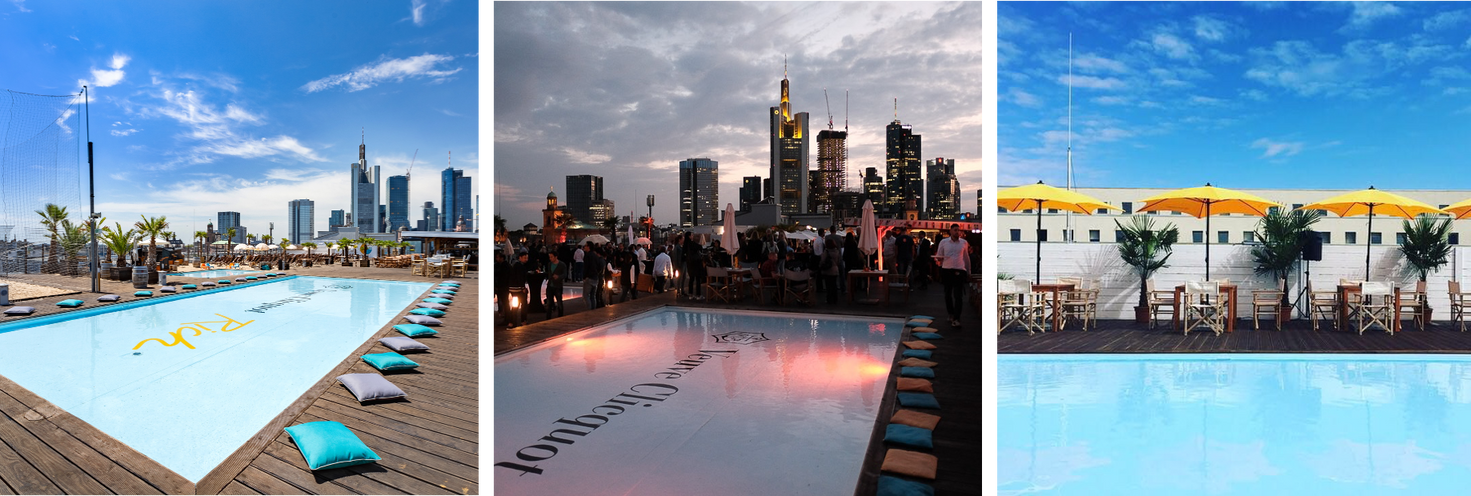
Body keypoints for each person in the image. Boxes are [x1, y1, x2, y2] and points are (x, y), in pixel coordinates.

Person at [935, 223, 972, 328]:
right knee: (947, 293)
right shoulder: (944, 242)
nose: (957, 232)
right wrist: (938, 259)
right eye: (955, 230)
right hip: (947, 269)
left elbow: (966, 257)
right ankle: (951, 313)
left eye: (958, 230)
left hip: (959, 269)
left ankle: (957, 318)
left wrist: (968, 271)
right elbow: (939, 255)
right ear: (950, 231)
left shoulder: (964, 243)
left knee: (958, 295)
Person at [507, 251, 530, 327]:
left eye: (526, 258)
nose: (526, 259)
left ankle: (512, 322)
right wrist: (523, 287)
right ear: (520, 258)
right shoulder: (520, 266)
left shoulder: (514, 265)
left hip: (512, 288)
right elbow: (520, 277)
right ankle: (523, 320)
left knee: (515, 305)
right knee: (523, 304)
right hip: (518, 289)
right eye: (524, 258)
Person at [819, 235, 841, 304]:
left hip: (827, 270)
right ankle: (835, 298)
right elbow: (838, 261)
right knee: (834, 285)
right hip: (835, 270)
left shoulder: (826, 252)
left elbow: (822, 260)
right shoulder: (837, 251)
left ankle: (829, 299)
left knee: (828, 286)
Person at [544, 251, 566, 318]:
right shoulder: (549, 264)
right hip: (550, 285)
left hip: (558, 286)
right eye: (550, 257)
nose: (550, 258)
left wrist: (558, 277)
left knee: (559, 302)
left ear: (556, 257)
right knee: (549, 302)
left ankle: (560, 315)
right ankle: (548, 317)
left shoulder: (562, 265)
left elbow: (565, 274)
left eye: (551, 257)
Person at [490, 252, 510, 322]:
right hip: (502, 286)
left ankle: (506, 316)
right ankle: (505, 315)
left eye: (497, 257)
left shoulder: (504, 266)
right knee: (503, 301)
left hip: (503, 286)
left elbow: (502, 276)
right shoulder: (501, 265)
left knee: (504, 301)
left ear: (502, 258)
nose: (496, 259)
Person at [584, 245, 605, 310]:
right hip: (596, 278)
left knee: (586, 295)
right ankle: (594, 308)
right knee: (593, 295)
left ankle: (589, 308)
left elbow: (586, 267)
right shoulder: (599, 259)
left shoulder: (589, 256)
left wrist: (584, 276)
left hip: (591, 277)